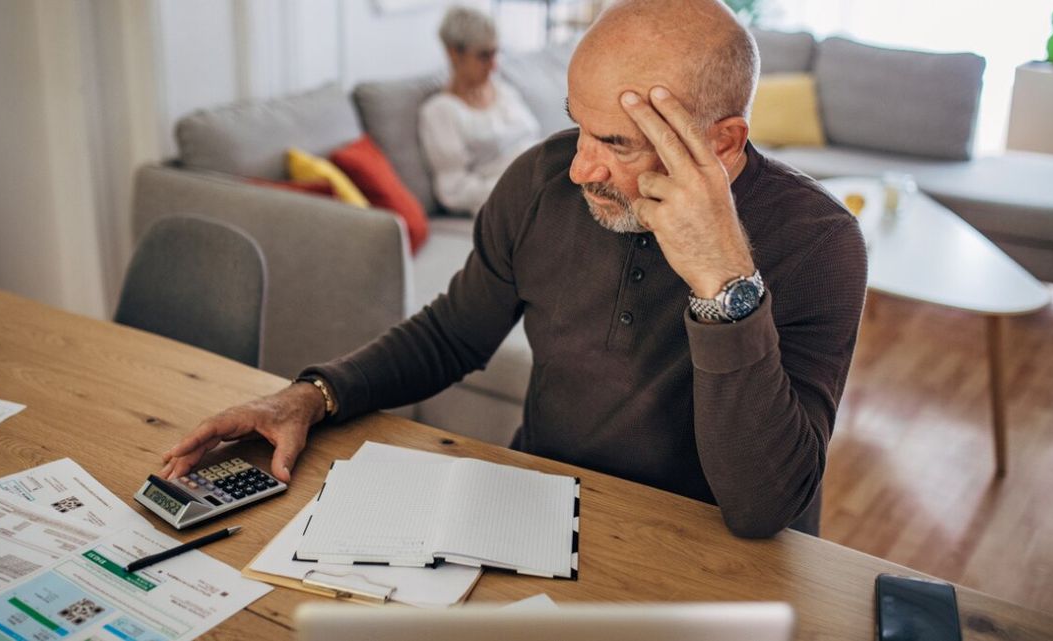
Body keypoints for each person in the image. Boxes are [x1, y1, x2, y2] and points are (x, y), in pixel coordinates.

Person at [161, 0, 867, 538]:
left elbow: (763, 507)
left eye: (617, 142)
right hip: (537, 512)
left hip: (702, 548)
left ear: (724, 141)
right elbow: (451, 335)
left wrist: (724, 282)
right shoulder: (541, 179)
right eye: (578, 124)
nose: (580, 167)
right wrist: (312, 395)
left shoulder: (819, 244)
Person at [418, 6, 540, 214]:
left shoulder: (503, 91)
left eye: (495, 53)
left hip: (544, 178)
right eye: (484, 56)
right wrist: (518, 187)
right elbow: (453, 191)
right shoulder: (440, 112)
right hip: (513, 201)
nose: (494, 65)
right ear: (454, 54)